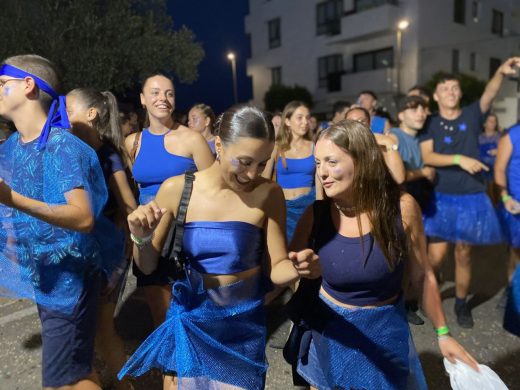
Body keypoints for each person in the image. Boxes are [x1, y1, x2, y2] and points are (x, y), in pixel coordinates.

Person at [118, 106, 319, 389]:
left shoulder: (269, 194)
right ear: (219, 146)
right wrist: (140, 237)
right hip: (192, 325)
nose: (252, 173)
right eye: (245, 161)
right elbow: (147, 265)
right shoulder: (177, 189)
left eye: (261, 164)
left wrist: (299, 269)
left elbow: (277, 269)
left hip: (243, 331)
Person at [291, 120, 478, 389]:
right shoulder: (315, 215)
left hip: (386, 333)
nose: (322, 172)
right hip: (330, 335)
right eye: (318, 163)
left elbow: (422, 275)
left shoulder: (402, 209)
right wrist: (300, 268)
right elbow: (289, 267)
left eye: (331, 162)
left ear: (362, 161)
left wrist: (443, 334)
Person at [0, 54, 123, 389]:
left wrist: (11, 198)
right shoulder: (14, 146)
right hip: (47, 276)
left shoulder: (60, 146)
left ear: (27, 86)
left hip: (70, 279)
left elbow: (83, 217)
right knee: (77, 370)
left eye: (2, 83)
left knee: (61, 381)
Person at [419, 58, 520, 328]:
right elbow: (427, 155)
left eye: (455, 88)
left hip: (471, 198)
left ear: (460, 93)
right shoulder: (430, 122)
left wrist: (499, 71)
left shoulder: (473, 115)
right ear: (437, 95)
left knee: (464, 253)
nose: (451, 92)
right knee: (435, 258)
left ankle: (462, 303)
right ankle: (431, 293)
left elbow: (489, 93)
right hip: (440, 197)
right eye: (445, 88)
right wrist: (459, 160)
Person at [125, 73, 214, 327]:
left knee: (189, 312)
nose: (163, 98)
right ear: (143, 99)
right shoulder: (134, 142)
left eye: (169, 93)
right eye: (155, 92)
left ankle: (190, 364)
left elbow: (213, 188)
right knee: (158, 312)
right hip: (149, 236)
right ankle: (167, 365)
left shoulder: (192, 139)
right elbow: (139, 188)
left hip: (185, 236)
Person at [66, 88, 137, 390]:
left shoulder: (107, 155)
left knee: (101, 325)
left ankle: (121, 383)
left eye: (69, 109)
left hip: (107, 254)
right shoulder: (69, 151)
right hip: (78, 251)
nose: (63, 115)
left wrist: (130, 248)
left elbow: (129, 207)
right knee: (87, 326)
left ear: (91, 114)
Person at [390, 96, 436, 325]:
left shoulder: (420, 138)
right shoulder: (394, 137)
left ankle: (409, 302)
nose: (420, 113)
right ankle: (402, 305)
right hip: (403, 204)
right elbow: (397, 174)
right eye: (414, 108)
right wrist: (424, 172)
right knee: (406, 257)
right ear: (401, 115)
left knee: (416, 256)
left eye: (423, 109)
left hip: (421, 201)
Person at [262, 100, 322, 242]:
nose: (305, 122)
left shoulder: (315, 146)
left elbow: (320, 180)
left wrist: (321, 209)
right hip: (283, 209)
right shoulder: (276, 147)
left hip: (308, 207)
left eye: (307, 118)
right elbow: (264, 179)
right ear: (287, 121)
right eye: (300, 117)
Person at [495, 122, 520, 335]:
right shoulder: (512, 135)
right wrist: (505, 197)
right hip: (515, 205)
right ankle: (511, 290)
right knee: (516, 251)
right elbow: (500, 168)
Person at [345, 106, 405, 184]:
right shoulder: (340, 148)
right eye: (351, 122)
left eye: (361, 121)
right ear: (344, 126)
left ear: (369, 123)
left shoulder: (381, 147)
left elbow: (399, 178)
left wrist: (389, 142)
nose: (357, 125)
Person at [479, 113, 501, 203]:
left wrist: (499, 151)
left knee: (495, 192)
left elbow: (509, 151)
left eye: (494, 121)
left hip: (496, 169)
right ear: (484, 123)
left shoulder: (500, 136)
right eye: (490, 121)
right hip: (482, 169)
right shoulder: (479, 137)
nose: (493, 123)